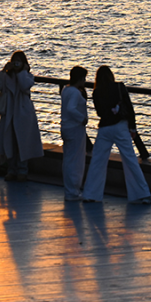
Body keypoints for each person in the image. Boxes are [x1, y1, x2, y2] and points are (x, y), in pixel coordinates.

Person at [82, 66, 151, 204]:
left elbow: (99, 113)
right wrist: (133, 127)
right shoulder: (119, 87)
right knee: (130, 159)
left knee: (98, 161)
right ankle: (142, 194)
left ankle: (90, 194)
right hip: (120, 126)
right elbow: (130, 108)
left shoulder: (96, 92)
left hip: (105, 129)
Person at [0, 50, 43, 181]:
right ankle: (11, 169)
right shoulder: (6, 77)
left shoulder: (27, 76)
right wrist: (4, 70)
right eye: (15, 61)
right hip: (9, 113)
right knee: (10, 142)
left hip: (23, 114)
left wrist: (22, 72)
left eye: (19, 62)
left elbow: (25, 84)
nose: (16, 64)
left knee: (22, 143)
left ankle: (22, 170)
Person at [60, 66, 89, 201]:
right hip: (75, 128)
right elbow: (71, 108)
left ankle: (69, 189)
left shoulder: (66, 90)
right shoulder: (76, 93)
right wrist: (81, 118)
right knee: (76, 160)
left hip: (66, 127)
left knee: (68, 158)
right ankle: (73, 190)